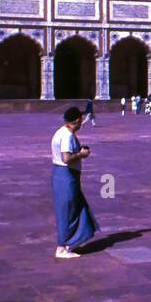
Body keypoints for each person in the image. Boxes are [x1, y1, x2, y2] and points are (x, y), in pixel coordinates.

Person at [51, 106, 98, 259]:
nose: (82, 124)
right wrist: (81, 154)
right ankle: (63, 247)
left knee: (72, 209)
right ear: (77, 120)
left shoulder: (61, 131)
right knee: (68, 211)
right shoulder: (67, 136)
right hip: (66, 175)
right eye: (81, 121)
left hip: (60, 174)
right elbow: (66, 158)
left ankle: (68, 243)